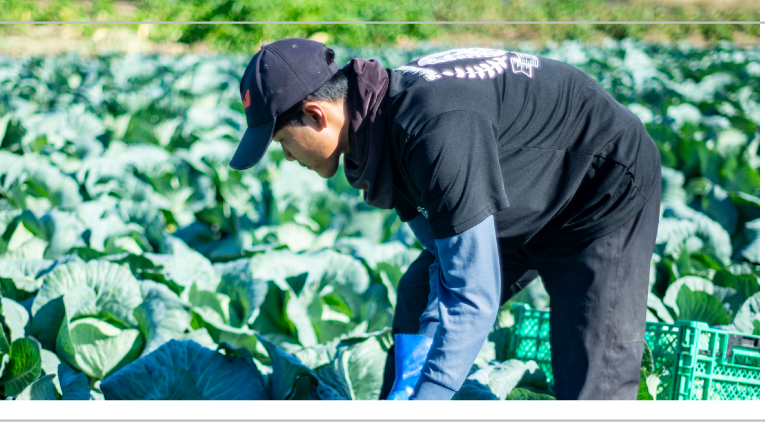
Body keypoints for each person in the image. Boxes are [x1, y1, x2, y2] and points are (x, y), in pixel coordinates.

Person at [228, 38, 661, 400]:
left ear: (317, 115)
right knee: (418, 297)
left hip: (600, 188)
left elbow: (472, 299)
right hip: (523, 192)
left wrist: (428, 400)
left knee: (592, 383)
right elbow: (443, 264)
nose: (286, 156)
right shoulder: (379, 125)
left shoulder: (431, 131)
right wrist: (408, 394)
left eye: (283, 140)